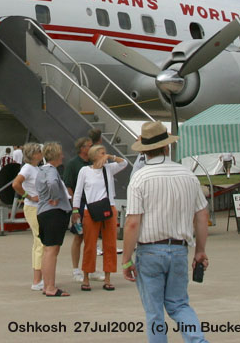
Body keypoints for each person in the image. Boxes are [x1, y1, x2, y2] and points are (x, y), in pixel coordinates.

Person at [122, 121, 209, 343]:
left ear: (144, 150)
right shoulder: (187, 175)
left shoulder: (139, 178)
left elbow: (133, 222)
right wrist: (200, 250)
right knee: (179, 304)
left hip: (150, 250)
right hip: (179, 249)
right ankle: (198, 341)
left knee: (154, 313)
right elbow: (201, 215)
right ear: (166, 147)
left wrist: (126, 259)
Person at [72, 146, 127, 290]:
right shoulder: (85, 171)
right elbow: (78, 191)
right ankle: (86, 276)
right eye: (102, 153)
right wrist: (75, 209)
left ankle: (108, 277)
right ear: (94, 156)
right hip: (90, 209)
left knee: (110, 244)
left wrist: (111, 157)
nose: (105, 155)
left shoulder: (108, 168)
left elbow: (124, 163)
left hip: (109, 207)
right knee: (89, 244)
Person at [35, 142, 71, 297]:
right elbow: (52, 183)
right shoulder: (51, 171)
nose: (63, 156)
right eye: (61, 154)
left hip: (43, 212)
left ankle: (47, 284)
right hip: (53, 212)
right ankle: (50, 286)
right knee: (52, 250)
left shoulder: (41, 170)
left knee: (48, 249)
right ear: (56, 155)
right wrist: (55, 197)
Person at [12, 143, 43, 291]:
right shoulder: (27, 168)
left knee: (40, 242)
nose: (41, 153)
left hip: (39, 207)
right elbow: (16, 184)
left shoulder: (36, 168)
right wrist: (28, 196)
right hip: (32, 207)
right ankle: (37, 280)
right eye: (39, 151)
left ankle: (40, 277)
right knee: (40, 241)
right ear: (33, 154)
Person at [62, 136, 93, 282]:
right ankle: (76, 269)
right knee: (78, 236)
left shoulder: (93, 162)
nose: (91, 148)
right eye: (89, 146)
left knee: (91, 237)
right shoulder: (73, 164)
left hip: (93, 204)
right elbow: (68, 185)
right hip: (79, 204)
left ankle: (89, 267)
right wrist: (75, 204)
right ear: (82, 148)